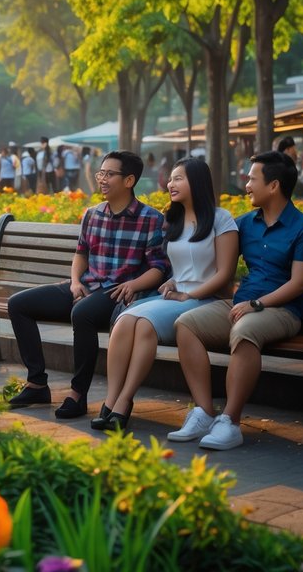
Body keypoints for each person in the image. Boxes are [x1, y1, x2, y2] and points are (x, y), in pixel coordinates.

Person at [168, 150, 303, 450]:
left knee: (245, 330)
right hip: (241, 304)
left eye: (252, 179)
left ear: (273, 185)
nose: (246, 184)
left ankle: (231, 422)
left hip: (283, 311)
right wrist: (178, 278)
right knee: (186, 324)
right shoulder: (244, 224)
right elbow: (209, 256)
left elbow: (299, 282)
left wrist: (256, 304)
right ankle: (203, 412)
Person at [7, 150, 170, 419]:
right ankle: (37, 384)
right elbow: (81, 253)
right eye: (100, 173)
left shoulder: (150, 218)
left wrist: (133, 284)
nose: (102, 179)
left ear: (129, 180)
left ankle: (77, 394)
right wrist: (73, 282)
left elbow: (158, 269)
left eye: (109, 174)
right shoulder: (92, 214)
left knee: (81, 314)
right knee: (19, 304)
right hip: (85, 286)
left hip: (116, 293)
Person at [96, 157, 238, 431]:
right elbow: (181, 267)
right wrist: (173, 282)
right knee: (126, 321)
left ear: (196, 181)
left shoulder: (221, 219)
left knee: (144, 324)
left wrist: (189, 295)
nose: (170, 184)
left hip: (205, 300)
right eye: (170, 179)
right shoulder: (174, 219)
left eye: (178, 178)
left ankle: (124, 401)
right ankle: (111, 401)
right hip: (176, 297)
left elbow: (224, 273)